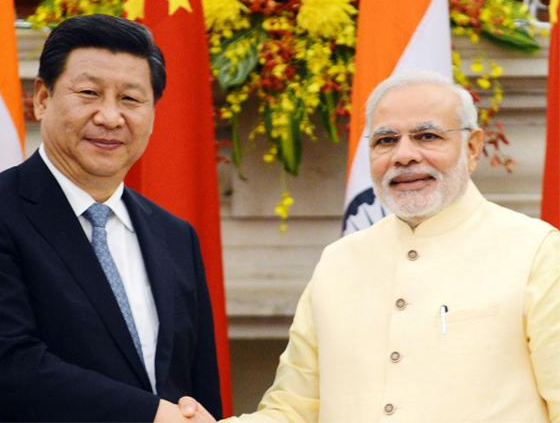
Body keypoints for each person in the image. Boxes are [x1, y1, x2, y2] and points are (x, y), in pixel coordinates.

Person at [177, 70, 560, 422]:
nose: (404, 155)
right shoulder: (339, 262)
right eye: (386, 140)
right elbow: (294, 410)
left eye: (427, 136)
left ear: (472, 147)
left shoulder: (536, 252)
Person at [0, 14, 222, 422]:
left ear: (153, 114)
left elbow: (197, 385)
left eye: (130, 99)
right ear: (42, 98)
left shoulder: (175, 236)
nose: (110, 117)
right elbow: (7, 366)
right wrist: (151, 415)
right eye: (89, 93)